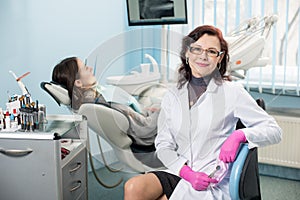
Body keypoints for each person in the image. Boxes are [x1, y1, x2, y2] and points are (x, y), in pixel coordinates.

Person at [124, 25, 282, 200]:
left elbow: (274, 130)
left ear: (219, 58)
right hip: (180, 171)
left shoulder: (232, 92)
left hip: (211, 180)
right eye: (197, 49)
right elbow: (163, 145)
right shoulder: (172, 94)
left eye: (212, 51)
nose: (203, 56)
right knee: (133, 187)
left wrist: (239, 135)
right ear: (187, 53)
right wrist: (187, 173)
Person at [52, 56, 162, 147]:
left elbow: (134, 116)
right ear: (78, 83)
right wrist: (164, 111)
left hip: (145, 124)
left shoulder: (93, 99)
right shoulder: (104, 100)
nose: (90, 68)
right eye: (85, 68)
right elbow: (145, 128)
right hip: (150, 137)